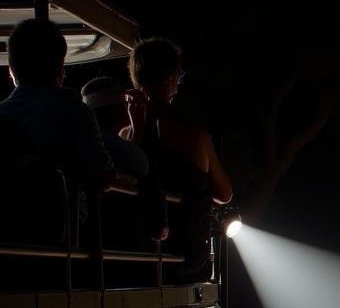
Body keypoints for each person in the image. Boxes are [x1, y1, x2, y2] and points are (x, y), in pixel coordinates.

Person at [0, 18, 115, 244]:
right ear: (61, 68)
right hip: (60, 242)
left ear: (11, 67)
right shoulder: (74, 111)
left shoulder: (3, 113)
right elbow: (103, 177)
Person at [128, 37, 232, 279]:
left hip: (135, 249)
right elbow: (225, 194)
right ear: (171, 78)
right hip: (184, 253)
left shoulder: (127, 132)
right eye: (178, 75)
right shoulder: (193, 132)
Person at [81, 76, 168, 244]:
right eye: (125, 104)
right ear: (113, 109)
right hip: (110, 233)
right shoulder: (103, 138)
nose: (128, 108)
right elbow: (142, 164)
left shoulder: (95, 136)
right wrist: (139, 126)